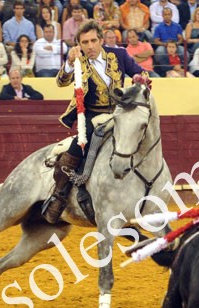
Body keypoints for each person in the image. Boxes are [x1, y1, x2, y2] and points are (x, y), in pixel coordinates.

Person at [41, 19, 144, 224]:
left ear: (101, 40)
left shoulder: (119, 55)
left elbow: (139, 71)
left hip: (119, 112)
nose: (90, 46)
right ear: (79, 44)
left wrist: (140, 78)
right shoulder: (78, 61)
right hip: (92, 115)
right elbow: (61, 82)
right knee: (77, 146)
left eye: (93, 41)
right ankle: (59, 196)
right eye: (85, 42)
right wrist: (69, 63)